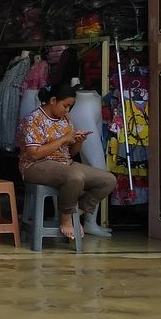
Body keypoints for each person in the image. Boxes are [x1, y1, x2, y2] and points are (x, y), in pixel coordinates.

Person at [18, 82, 117, 240]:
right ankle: (66, 218)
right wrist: (64, 139)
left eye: (69, 107)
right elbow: (35, 153)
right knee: (74, 176)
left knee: (108, 179)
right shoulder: (34, 119)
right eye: (65, 106)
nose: (67, 110)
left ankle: (76, 212)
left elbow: (71, 153)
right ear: (53, 100)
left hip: (65, 164)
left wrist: (79, 141)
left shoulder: (65, 119)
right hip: (36, 166)